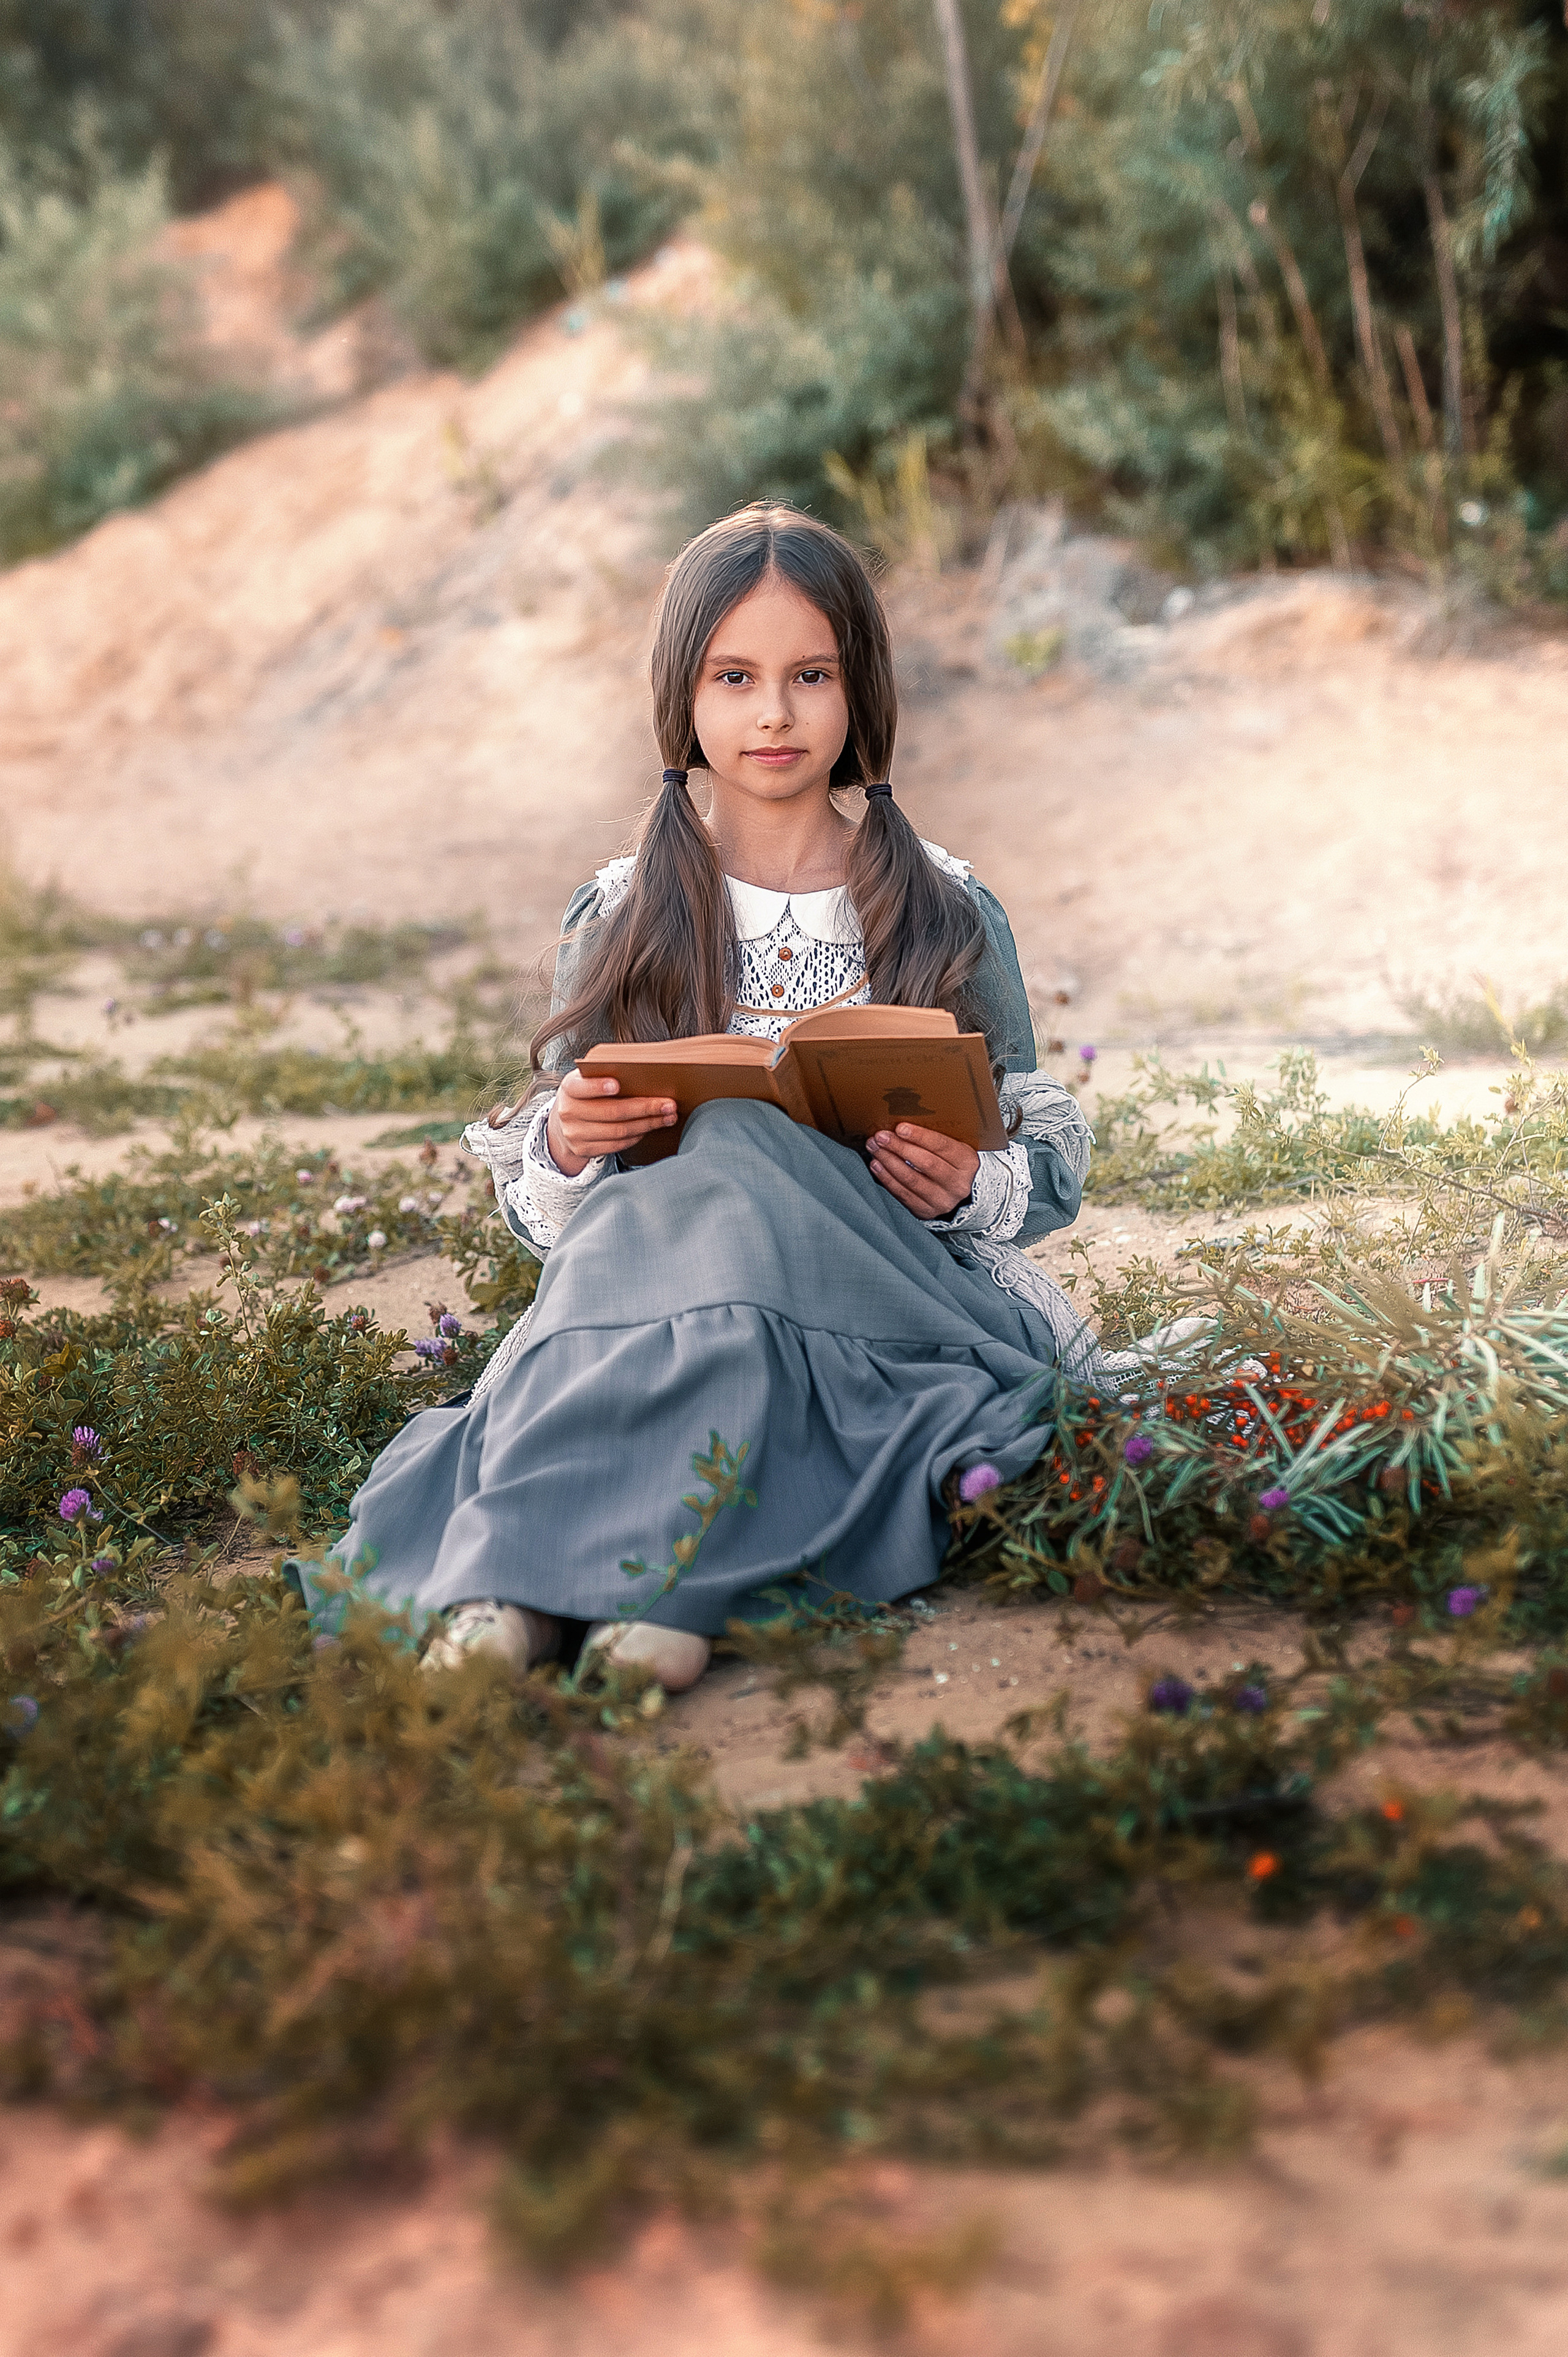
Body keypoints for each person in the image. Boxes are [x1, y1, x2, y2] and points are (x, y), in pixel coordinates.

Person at [331, 503, 1109, 1693]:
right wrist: (572, 1143)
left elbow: (1036, 1136)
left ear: (860, 692)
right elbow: (551, 1192)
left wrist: (971, 1176)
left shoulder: (942, 906)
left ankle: (660, 1584)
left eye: (810, 675)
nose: (773, 714)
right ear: (681, 699)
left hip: (877, 1287)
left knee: (746, 1142)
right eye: (733, 676)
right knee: (668, 1224)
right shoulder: (622, 909)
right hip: (652, 1282)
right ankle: (516, 1591)